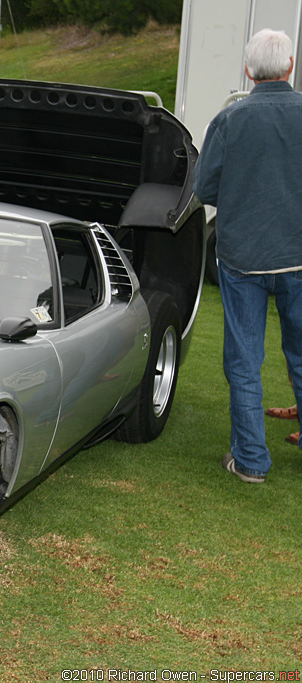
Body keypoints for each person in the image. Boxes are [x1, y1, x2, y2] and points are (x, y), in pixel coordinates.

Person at [194, 28, 302, 484]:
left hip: (243, 258)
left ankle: (252, 460)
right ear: (291, 66)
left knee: (244, 358)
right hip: (298, 254)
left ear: (248, 70)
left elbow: (204, 187)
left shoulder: (230, 120)